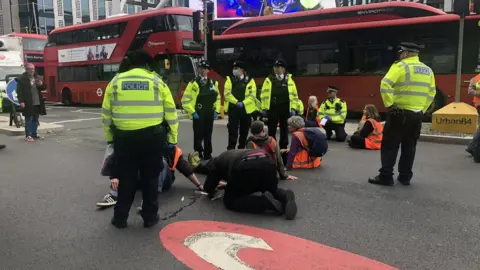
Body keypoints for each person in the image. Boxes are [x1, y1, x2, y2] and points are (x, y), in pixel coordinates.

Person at [101, 49, 178, 229]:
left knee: (126, 179)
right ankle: (149, 217)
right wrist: (172, 139)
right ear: (147, 64)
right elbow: (171, 113)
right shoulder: (157, 81)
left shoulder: (116, 81)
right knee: (150, 179)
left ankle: (120, 219)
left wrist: (111, 138)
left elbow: (106, 115)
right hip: (152, 138)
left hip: (124, 139)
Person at [369, 42, 436, 186]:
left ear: (405, 53)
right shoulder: (428, 70)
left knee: (390, 145)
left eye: (401, 53)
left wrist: (390, 104)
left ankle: (386, 176)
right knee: (409, 146)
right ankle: (405, 176)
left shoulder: (401, 66)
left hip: (399, 113)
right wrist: (422, 109)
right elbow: (432, 92)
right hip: (417, 115)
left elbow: (385, 84)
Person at [203, 149, 298, 220]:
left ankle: (263, 202)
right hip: (267, 162)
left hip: (245, 165)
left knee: (230, 200)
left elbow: (208, 187)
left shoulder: (216, 163)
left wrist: (214, 189)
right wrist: (227, 185)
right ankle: (286, 196)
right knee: (271, 189)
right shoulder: (229, 154)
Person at [96, 145, 204, 208]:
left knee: (159, 161)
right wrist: (114, 176)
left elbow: (185, 169)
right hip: (141, 179)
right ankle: (114, 195)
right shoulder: (140, 143)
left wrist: (199, 185)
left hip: (163, 181)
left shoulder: (171, 148)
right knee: (126, 159)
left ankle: (151, 198)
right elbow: (117, 157)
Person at [181, 60, 220, 160]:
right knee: (198, 135)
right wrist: (192, 112)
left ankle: (208, 154)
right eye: (201, 68)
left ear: (208, 70)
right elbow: (185, 100)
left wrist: (217, 110)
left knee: (208, 135)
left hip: (209, 112)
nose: (202, 70)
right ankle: (198, 154)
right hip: (198, 112)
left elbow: (218, 98)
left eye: (205, 68)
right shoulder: (193, 83)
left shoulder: (213, 83)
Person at [260, 59, 302, 149]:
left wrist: (293, 108)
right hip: (272, 108)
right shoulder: (269, 80)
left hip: (285, 108)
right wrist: (264, 108)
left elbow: (294, 95)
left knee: (284, 129)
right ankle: (272, 147)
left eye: (279, 67)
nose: (277, 69)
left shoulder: (289, 80)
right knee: (272, 129)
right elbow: (263, 95)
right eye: (275, 67)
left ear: (283, 69)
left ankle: (283, 147)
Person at [224, 61, 257, 150]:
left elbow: (252, 95)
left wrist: (243, 103)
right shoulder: (229, 80)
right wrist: (236, 102)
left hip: (246, 110)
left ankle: (241, 150)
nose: (234, 70)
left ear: (242, 70)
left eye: (236, 68)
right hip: (234, 109)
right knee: (232, 132)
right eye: (233, 68)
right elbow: (227, 94)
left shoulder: (250, 81)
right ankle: (230, 150)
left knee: (244, 132)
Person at [16, 63, 47, 142]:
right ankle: (28, 135)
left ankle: (34, 133)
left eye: (33, 69)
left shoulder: (37, 77)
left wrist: (41, 84)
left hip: (37, 102)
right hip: (28, 102)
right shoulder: (21, 79)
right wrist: (21, 101)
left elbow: (43, 88)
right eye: (30, 69)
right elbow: (19, 92)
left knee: (35, 119)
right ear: (26, 69)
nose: (32, 70)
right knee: (28, 119)